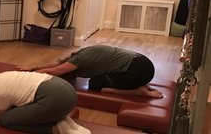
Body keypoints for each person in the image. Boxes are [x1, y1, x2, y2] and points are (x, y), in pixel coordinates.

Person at [19, 45, 163, 99]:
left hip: (136, 72)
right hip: (144, 64)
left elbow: (55, 70)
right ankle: (142, 84)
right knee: (105, 74)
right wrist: (32, 67)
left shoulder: (79, 60)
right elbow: (59, 63)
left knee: (95, 84)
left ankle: (137, 91)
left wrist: (29, 75)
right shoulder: (84, 52)